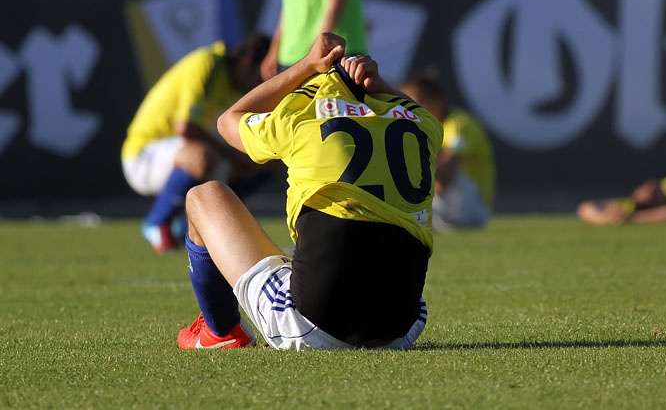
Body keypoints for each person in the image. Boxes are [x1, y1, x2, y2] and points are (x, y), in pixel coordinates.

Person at [175, 33, 442, 350]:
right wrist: (379, 82)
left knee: (205, 196)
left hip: (314, 326)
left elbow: (227, 121)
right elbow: (412, 108)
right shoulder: (425, 125)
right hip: (399, 328)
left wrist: (304, 67)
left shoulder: (299, 117)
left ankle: (221, 331)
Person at [121, 34, 272, 253]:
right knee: (202, 156)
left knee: (266, 160)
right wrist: (234, 156)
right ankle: (156, 223)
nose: (260, 84)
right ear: (245, 62)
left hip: (181, 153)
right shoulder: (210, 64)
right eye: (260, 77)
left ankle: (186, 226)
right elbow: (186, 128)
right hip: (143, 155)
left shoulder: (235, 87)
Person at [403, 68, 495, 232]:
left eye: (419, 102)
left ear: (438, 100)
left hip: (472, 207)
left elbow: (447, 172)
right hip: (443, 206)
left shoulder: (458, 123)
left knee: (435, 166)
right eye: (407, 103)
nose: (412, 109)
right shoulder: (419, 129)